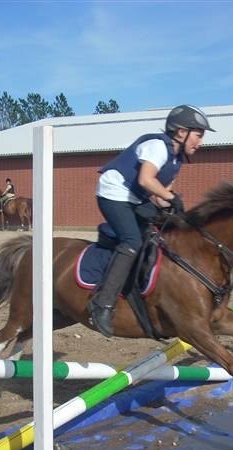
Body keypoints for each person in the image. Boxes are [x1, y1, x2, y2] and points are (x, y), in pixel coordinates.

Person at [87, 104, 215, 337]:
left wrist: (176, 211)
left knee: (161, 232)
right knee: (131, 240)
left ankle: (140, 286)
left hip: (134, 197)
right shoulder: (158, 146)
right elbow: (146, 180)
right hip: (113, 192)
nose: (200, 142)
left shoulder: (177, 160)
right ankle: (102, 303)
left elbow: (158, 195)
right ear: (180, 132)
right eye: (198, 135)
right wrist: (170, 197)